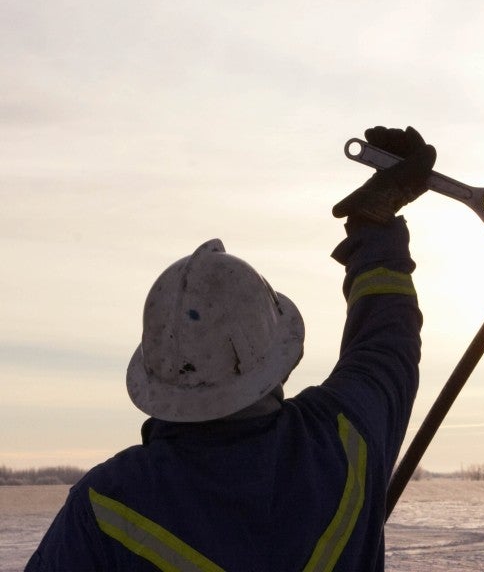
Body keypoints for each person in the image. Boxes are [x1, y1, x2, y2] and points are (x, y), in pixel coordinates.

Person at [25, 126, 437, 572]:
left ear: (156, 378)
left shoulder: (107, 506)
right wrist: (375, 226)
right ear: (278, 359)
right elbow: (386, 339)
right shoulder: (344, 439)